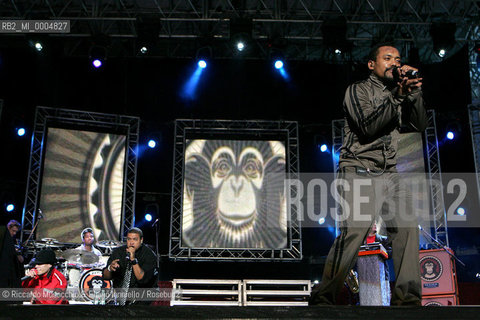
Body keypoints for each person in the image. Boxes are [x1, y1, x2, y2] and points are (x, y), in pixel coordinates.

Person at [310, 43, 427, 306]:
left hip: (390, 172)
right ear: (372, 65)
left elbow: (419, 125)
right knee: (355, 233)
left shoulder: (400, 93)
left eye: (397, 59)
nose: (394, 63)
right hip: (359, 169)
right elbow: (367, 126)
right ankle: (324, 297)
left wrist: (415, 93)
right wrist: (398, 95)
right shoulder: (357, 90)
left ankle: (407, 300)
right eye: (387, 58)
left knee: (407, 227)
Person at [103, 227, 157, 305]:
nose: (131, 242)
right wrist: (109, 268)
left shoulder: (149, 255)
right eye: (129, 239)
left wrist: (133, 260)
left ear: (141, 240)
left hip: (142, 297)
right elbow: (105, 276)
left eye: (135, 239)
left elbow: (142, 279)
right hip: (120, 296)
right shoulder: (118, 252)